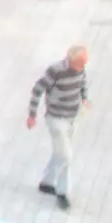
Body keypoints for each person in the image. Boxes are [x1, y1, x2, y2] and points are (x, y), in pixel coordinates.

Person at [27, 45, 91, 210]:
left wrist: (84, 98)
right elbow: (37, 90)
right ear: (71, 60)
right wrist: (32, 115)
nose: (84, 64)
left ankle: (47, 182)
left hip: (72, 118)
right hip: (56, 119)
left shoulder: (80, 69)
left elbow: (82, 84)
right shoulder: (56, 71)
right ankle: (63, 193)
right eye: (81, 61)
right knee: (66, 157)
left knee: (60, 153)